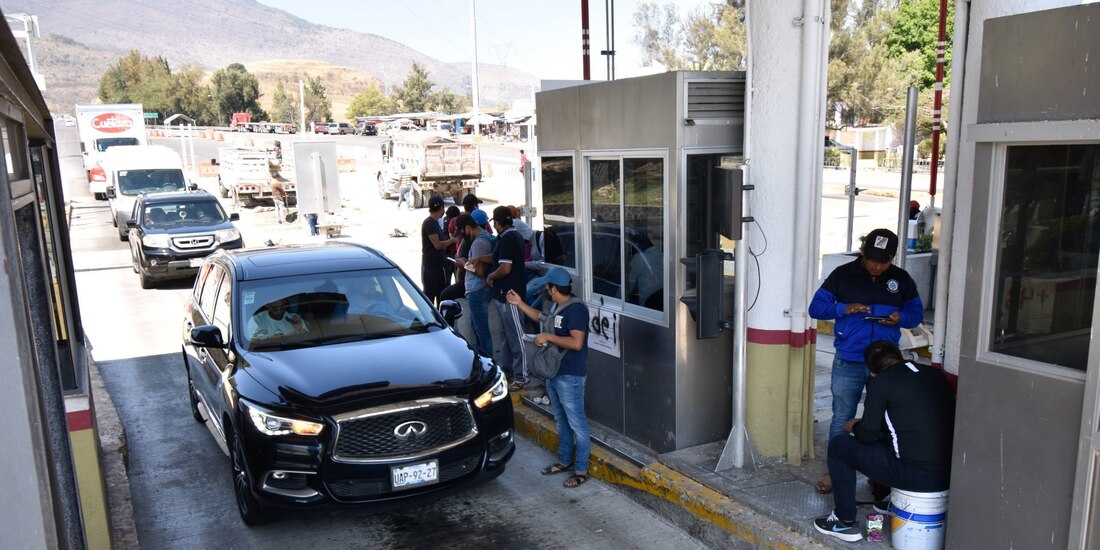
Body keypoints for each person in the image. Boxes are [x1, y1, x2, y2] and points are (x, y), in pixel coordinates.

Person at [808, 228, 924, 494]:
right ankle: (836, 472)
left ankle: (879, 474)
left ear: (892, 258)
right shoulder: (842, 275)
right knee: (842, 418)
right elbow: (816, 307)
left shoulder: (901, 279)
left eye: (884, 261)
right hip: (849, 360)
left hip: (885, 366)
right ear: (863, 253)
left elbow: (915, 313)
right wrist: (844, 308)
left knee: (883, 421)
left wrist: (900, 318)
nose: (877, 266)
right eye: (873, 259)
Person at [813, 340, 955, 542]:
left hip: (913, 475)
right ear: (900, 355)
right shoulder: (934, 375)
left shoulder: (881, 383)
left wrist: (854, 426)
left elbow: (867, 434)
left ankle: (843, 522)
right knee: (892, 438)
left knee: (840, 446)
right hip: (948, 475)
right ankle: (884, 501)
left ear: (872, 371)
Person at [506, 268, 591, 488]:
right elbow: (542, 319)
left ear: (554, 288)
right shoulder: (556, 306)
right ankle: (564, 461)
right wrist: (520, 303)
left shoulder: (577, 310)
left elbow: (576, 343)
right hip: (554, 373)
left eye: (547, 286)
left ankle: (581, 469)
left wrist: (548, 337)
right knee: (561, 421)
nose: (545, 289)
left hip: (570, 375)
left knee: (577, 424)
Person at [486, 206, 529, 391]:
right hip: (503, 295)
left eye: (494, 222)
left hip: (511, 295)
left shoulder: (510, 238)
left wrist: (490, 277)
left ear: (497, 222)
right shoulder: (507, 237)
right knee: (505, 335)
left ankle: (522, 375)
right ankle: (506, 369)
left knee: (516, 336)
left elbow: (505, 268)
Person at [454, 213, 495, 356]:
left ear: (467, 227)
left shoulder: (479, 242)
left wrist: (463, 264)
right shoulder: (484, 238)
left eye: (461, 232)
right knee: (477, 328)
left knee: (481, 330)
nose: (462, 236)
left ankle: (488, 363)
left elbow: (480, 271)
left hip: (478, 290)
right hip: (477, 290)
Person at [421, 195, 456, 308]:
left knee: (441, 294)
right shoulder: (429, 223)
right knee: (430, 296)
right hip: (432, 267)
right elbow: (438, 245)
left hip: (438, 265)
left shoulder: (435, 222)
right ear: (441, 207)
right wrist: (452, 240)